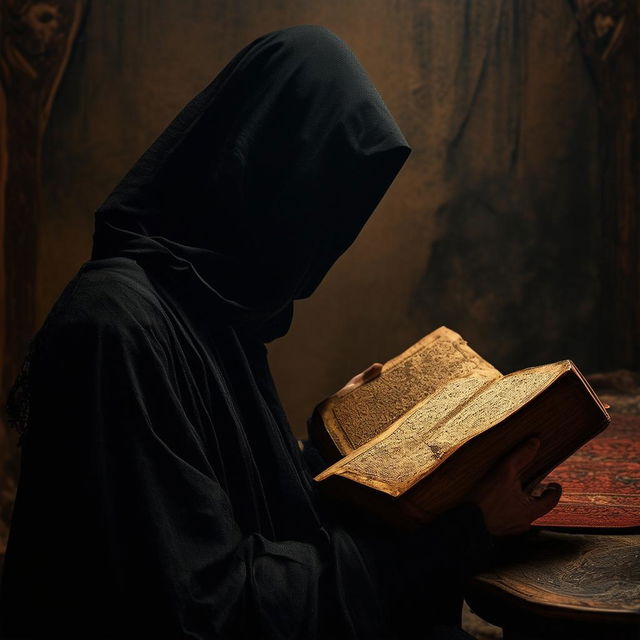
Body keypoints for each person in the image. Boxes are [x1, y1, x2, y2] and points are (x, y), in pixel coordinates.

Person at [0, 25, 561, 639]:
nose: (322, 244)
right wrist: (466, 531)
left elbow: (236, 503)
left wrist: (337, 445)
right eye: (316, 205)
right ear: (260, 170)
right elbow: (206, 607)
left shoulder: (208, 305)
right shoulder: (113, 329)